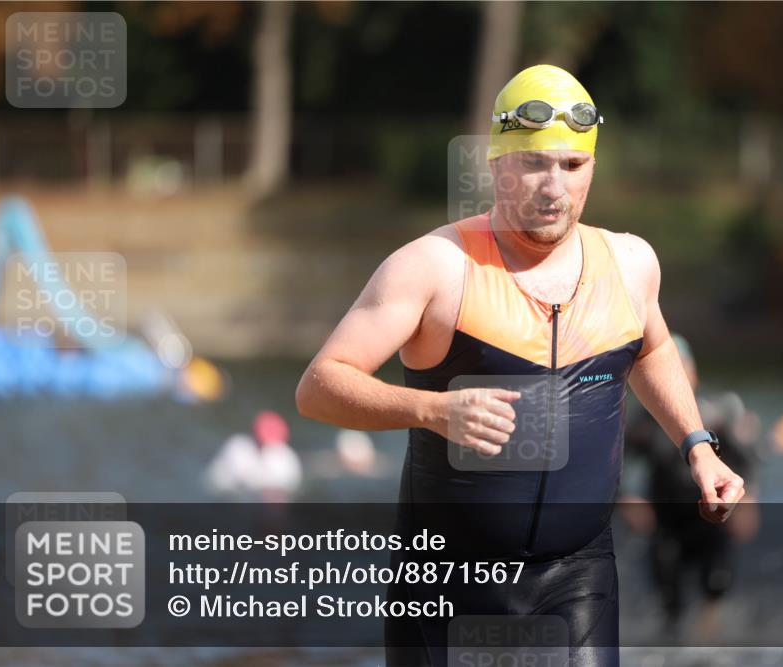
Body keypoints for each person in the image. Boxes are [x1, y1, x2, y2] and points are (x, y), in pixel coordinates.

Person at [296, 64, 745, 667]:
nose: (553, 186)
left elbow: (654, 349)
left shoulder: (631, 264)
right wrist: (431, 409)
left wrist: (697, 446)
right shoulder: (435, 267)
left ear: (592, 168)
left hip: (577, 578)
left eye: (572, 165)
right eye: (534, 163)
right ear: (497, 165)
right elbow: (320, 386)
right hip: (448, 583)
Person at [620, 334, 760, 642]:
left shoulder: (716, 417)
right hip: (666, 521)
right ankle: (672, 646)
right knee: (668, 595)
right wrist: (627, 498)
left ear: (693, 374)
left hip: (708, 519)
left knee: (716, 581)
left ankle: (710, 639)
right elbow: (616, 465)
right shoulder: (643, 425)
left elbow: (746, 462)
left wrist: (749, 500)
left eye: (683, 370)